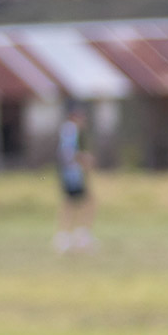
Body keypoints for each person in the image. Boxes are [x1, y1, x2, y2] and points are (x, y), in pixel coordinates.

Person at [54, 104, 97, 254]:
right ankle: (74, 235)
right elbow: (68, 153)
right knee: (79, 203)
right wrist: (84, 159)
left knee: (77, 203)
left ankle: (73, 234)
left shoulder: (70, 130)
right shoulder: (70, 130)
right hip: (71, 174)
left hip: (73, 174)